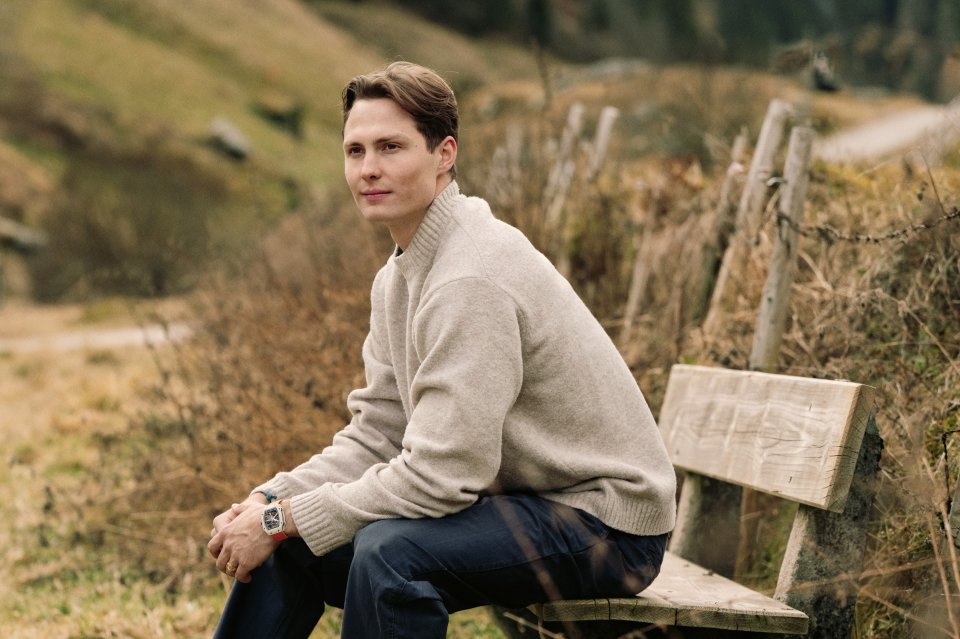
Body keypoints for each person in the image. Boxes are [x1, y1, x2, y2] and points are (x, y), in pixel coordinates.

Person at [208, 61, 677, 639]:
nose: (369, 168)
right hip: (524, 506)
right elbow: (378, 433)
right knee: (289, 544)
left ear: (444, 155)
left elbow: (443, 476)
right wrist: (270, 501)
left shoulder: (470, 276)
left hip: (607, 525)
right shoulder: (399, 279)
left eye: (391, 147)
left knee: (388, 554)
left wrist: (282, 519)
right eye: (355, 151)